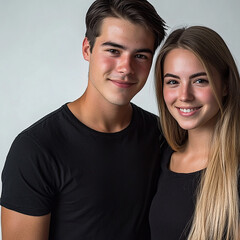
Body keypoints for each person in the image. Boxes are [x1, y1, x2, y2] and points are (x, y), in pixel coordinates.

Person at [1, 0, 166, 239]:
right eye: (113, 51)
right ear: (87, 49)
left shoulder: (163, 136)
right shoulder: (35, 149)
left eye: (140, 55)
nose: (126, 67)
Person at [149, 26, 240, 240]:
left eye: (200, 80)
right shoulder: (161, 156)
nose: (184, 95)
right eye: (173, 82)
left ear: (226, 85)